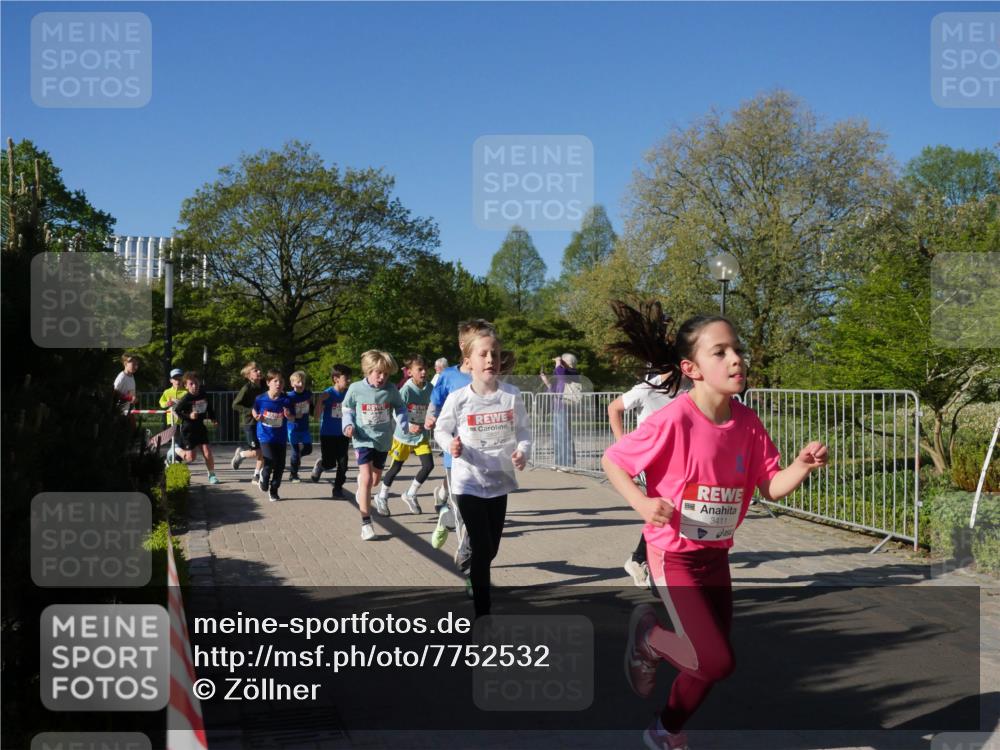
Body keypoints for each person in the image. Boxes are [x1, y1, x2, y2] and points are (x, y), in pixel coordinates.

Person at [601, 311, 828, 750]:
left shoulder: (748, 423)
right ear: (692, 368)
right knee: (715, 661)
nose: (736, 359)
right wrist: (643, 503)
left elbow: (770, 485)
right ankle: (648, 638)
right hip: (674, 556)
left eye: (737, 349)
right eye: (720, 352)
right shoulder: (674, 419)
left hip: (715, 556)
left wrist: (800, 466)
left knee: (708, 663)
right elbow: (614, 461)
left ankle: (664, 731)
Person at [434, 327, 530, 618]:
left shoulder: (511, 396)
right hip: (468, 482)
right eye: (483, 354)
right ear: (469, 361)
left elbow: (524, 432)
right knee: (481, 544)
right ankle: (482, 613)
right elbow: (441, 429)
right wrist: (450, 444)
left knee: (491, 550)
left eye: (495, 354)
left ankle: (475, 575)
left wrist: (522, 451)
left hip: (499, 481)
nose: (490, 359)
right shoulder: (459, 398)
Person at [606, 302, 686, 589]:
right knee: (665, 509)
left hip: (678, 461)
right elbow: (613, 408)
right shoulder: (647, 389)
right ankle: (647, 562)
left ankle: (645, 560)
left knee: (669, 511)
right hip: (650, 461)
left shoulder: (690, 391)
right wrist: (623, 443)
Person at [425, 320, 496, 597]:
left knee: (485, 520)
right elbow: (435, 404)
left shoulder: (490, 375)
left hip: (486, 459)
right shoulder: (448, 377)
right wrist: (430, 417)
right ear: (463, 346)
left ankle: (445, 519)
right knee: (468, 518)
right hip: (456, 459)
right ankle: (470, 573)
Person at [342, 350, 416, 540]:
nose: (382, 377)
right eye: (378, 372)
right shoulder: (356, 388)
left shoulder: (390, 390)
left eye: (386, 374)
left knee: (374, 481)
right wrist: (348, 425)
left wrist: (405, 423)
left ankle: (363, 487)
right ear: (368, 370)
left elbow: (400, 407)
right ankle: (366, 523)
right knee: (367, 479)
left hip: (383, 440)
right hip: (362, 438)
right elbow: (347, 408)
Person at [375, 354, 435, 515]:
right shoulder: (406, 390)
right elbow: (396, 411)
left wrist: (432, 419)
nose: (424, 372)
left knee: (429, 465)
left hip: (421, 436)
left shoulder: (430, 388)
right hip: (403, 436)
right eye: (419, 369)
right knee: (396, 468)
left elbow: (433, 407)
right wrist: (408, 425)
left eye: (425, 369)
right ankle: (382, 496)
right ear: (409, 372)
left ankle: (410, 494)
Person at [252, 369, 294, 502]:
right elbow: (254, 409)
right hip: (265, 436)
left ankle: (274, 490)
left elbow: (292, 417)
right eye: (275, 381)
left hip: (280, 437)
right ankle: (264, 477)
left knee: (280, 465)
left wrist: (289, 415)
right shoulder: (260, 399)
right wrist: (256, 416)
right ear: (268, 382)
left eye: (281, 381)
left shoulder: (286, 400)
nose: (278, 384)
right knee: (269, 461)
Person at [310, 364, 352, 498]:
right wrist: (320, 400)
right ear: (336, 379)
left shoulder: (349, 394)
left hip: (343, 433)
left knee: (343, 463)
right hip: (328, 434)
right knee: (330, 464)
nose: (349, 380)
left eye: (350, 378)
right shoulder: (328, 393)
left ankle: (337, 489)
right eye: (346, 378)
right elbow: (316, 416)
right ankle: (321, 465)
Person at [172, 371, 220, 484]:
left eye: (196, 383)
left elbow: (209, 408)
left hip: (201, 428)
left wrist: (213, 418)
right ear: (186, 386)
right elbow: (177, 411)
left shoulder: (203, 394)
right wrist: (189, 416)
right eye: (191, 384)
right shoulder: (186, 399)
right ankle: (175, 450)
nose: (194, 386)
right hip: (189, 430)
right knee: (191, 458)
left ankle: (212, 475)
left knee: (207, 452)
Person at [540, 353, 580, 467]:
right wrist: (546, 381)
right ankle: (559, 462)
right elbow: (554, 390)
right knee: (557, 436)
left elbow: (560, 374)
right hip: (557, 408)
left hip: (565, 406)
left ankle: (567, 463)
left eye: (563, 361)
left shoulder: (572, 372)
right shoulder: (563, 374)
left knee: (564, 435)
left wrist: (558, 362)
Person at [231, 362, 266, 484]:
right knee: (257, 451)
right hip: (250, 423)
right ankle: (241, 455)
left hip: (263, 421)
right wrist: (251, 411)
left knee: (263, 449)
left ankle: (256, 475)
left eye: (259, 369)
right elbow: (235, 405)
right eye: (255, 370)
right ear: (248, 375)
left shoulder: (265, 385)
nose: (259, 372)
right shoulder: (246, 388)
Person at [286, 371, 314, 482]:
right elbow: (286, 412)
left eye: (303, 382)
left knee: (308, 449)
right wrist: (294, 415)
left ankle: (297, 457)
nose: (301, 384)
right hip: (293, 428)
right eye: (298, 382)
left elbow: (311, 406)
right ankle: (293, 474)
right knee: (295, 452)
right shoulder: (289, 397)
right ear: (292, 384)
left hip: (304, 427)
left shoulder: (308, 394)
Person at [114, 354, 140, 421]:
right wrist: (129, 398)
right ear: (125, 364)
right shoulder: (121, 377)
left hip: (130, 412)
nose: (136, 367)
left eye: (137, 364)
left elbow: (131, 394)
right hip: (120, 414)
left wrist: (134, 399)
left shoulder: (132, 376)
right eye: (133, 364)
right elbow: (114, 393)